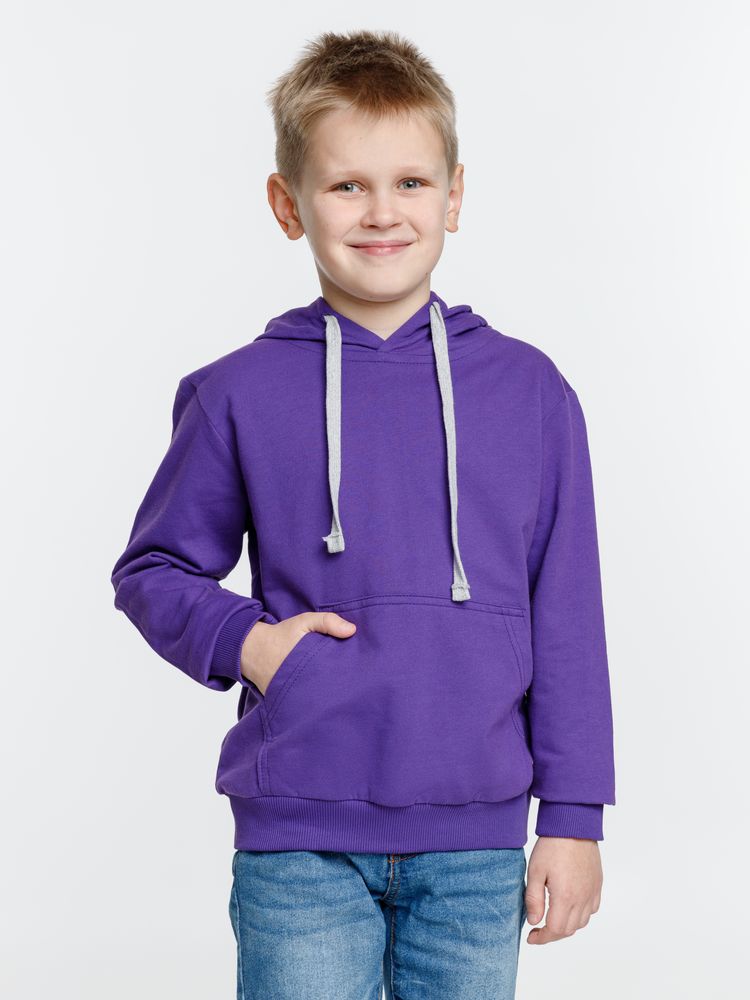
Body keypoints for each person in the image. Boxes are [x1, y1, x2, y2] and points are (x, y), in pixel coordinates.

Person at [110, 28, 616, 1000]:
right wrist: (252, 645)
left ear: (454, 197)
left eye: (411, 183)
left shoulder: (531, 393)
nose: (382, 212)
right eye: (347, 185)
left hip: (477, 844)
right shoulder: (237, 392)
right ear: (287, 204)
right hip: (299, 840)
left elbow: (569, 615)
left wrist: (575, 816)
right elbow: (153, 571)